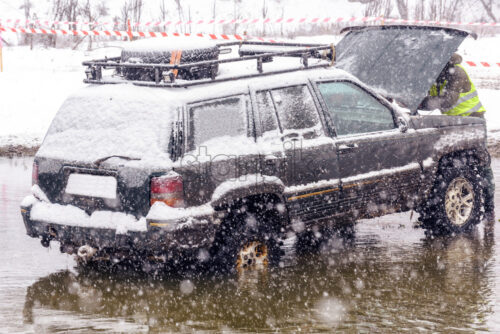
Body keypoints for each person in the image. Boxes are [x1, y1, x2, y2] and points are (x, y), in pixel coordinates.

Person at [421, 53, 494, 221]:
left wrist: (421, 102)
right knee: (457, 163)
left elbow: (448, 101)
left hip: (472, 120)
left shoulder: (457, 72)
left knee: (481, 162)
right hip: (454, 122)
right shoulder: (435, 74)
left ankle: (489, 206)